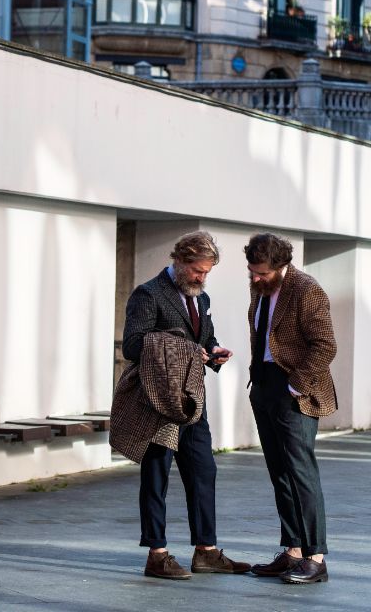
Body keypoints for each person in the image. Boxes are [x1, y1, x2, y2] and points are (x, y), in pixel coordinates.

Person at [121, 230, 251, 581]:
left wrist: (215, 353)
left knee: (203, 470)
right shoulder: (148, 295)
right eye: (197, 270)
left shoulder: (201, 299)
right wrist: (189, 351)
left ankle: (206, 550)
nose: (201, 278)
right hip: (158, 403)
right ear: (178, 261)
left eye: (207, 272)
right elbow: (132, 345)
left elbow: (203, 340)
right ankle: (157, 553)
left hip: (192, 401)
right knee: (156, 474)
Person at [245, 232, 337, 585]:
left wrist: (295, 384)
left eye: (262, 273)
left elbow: (325, 345)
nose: (255, 279)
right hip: (265, 386)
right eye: (251, 272)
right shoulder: (261, 288)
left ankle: (316, 556)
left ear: (282, 266)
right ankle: (293, 551)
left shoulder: (307, 291)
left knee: (301, 472)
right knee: (279, 472)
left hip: (295, 391)